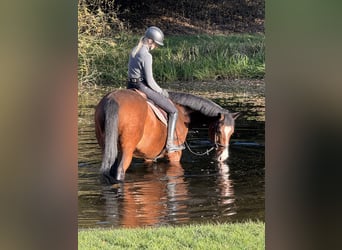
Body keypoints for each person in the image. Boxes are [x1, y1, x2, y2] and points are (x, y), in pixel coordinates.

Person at [127, 26, 184, 152]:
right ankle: (170, 144)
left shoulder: (134, 50)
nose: (156, 47)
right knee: (173, 111)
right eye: (156, 44)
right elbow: (150, 82)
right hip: (141, 86)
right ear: (150, 41)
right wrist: (162, 92)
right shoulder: (146, 55)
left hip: (130, 86)